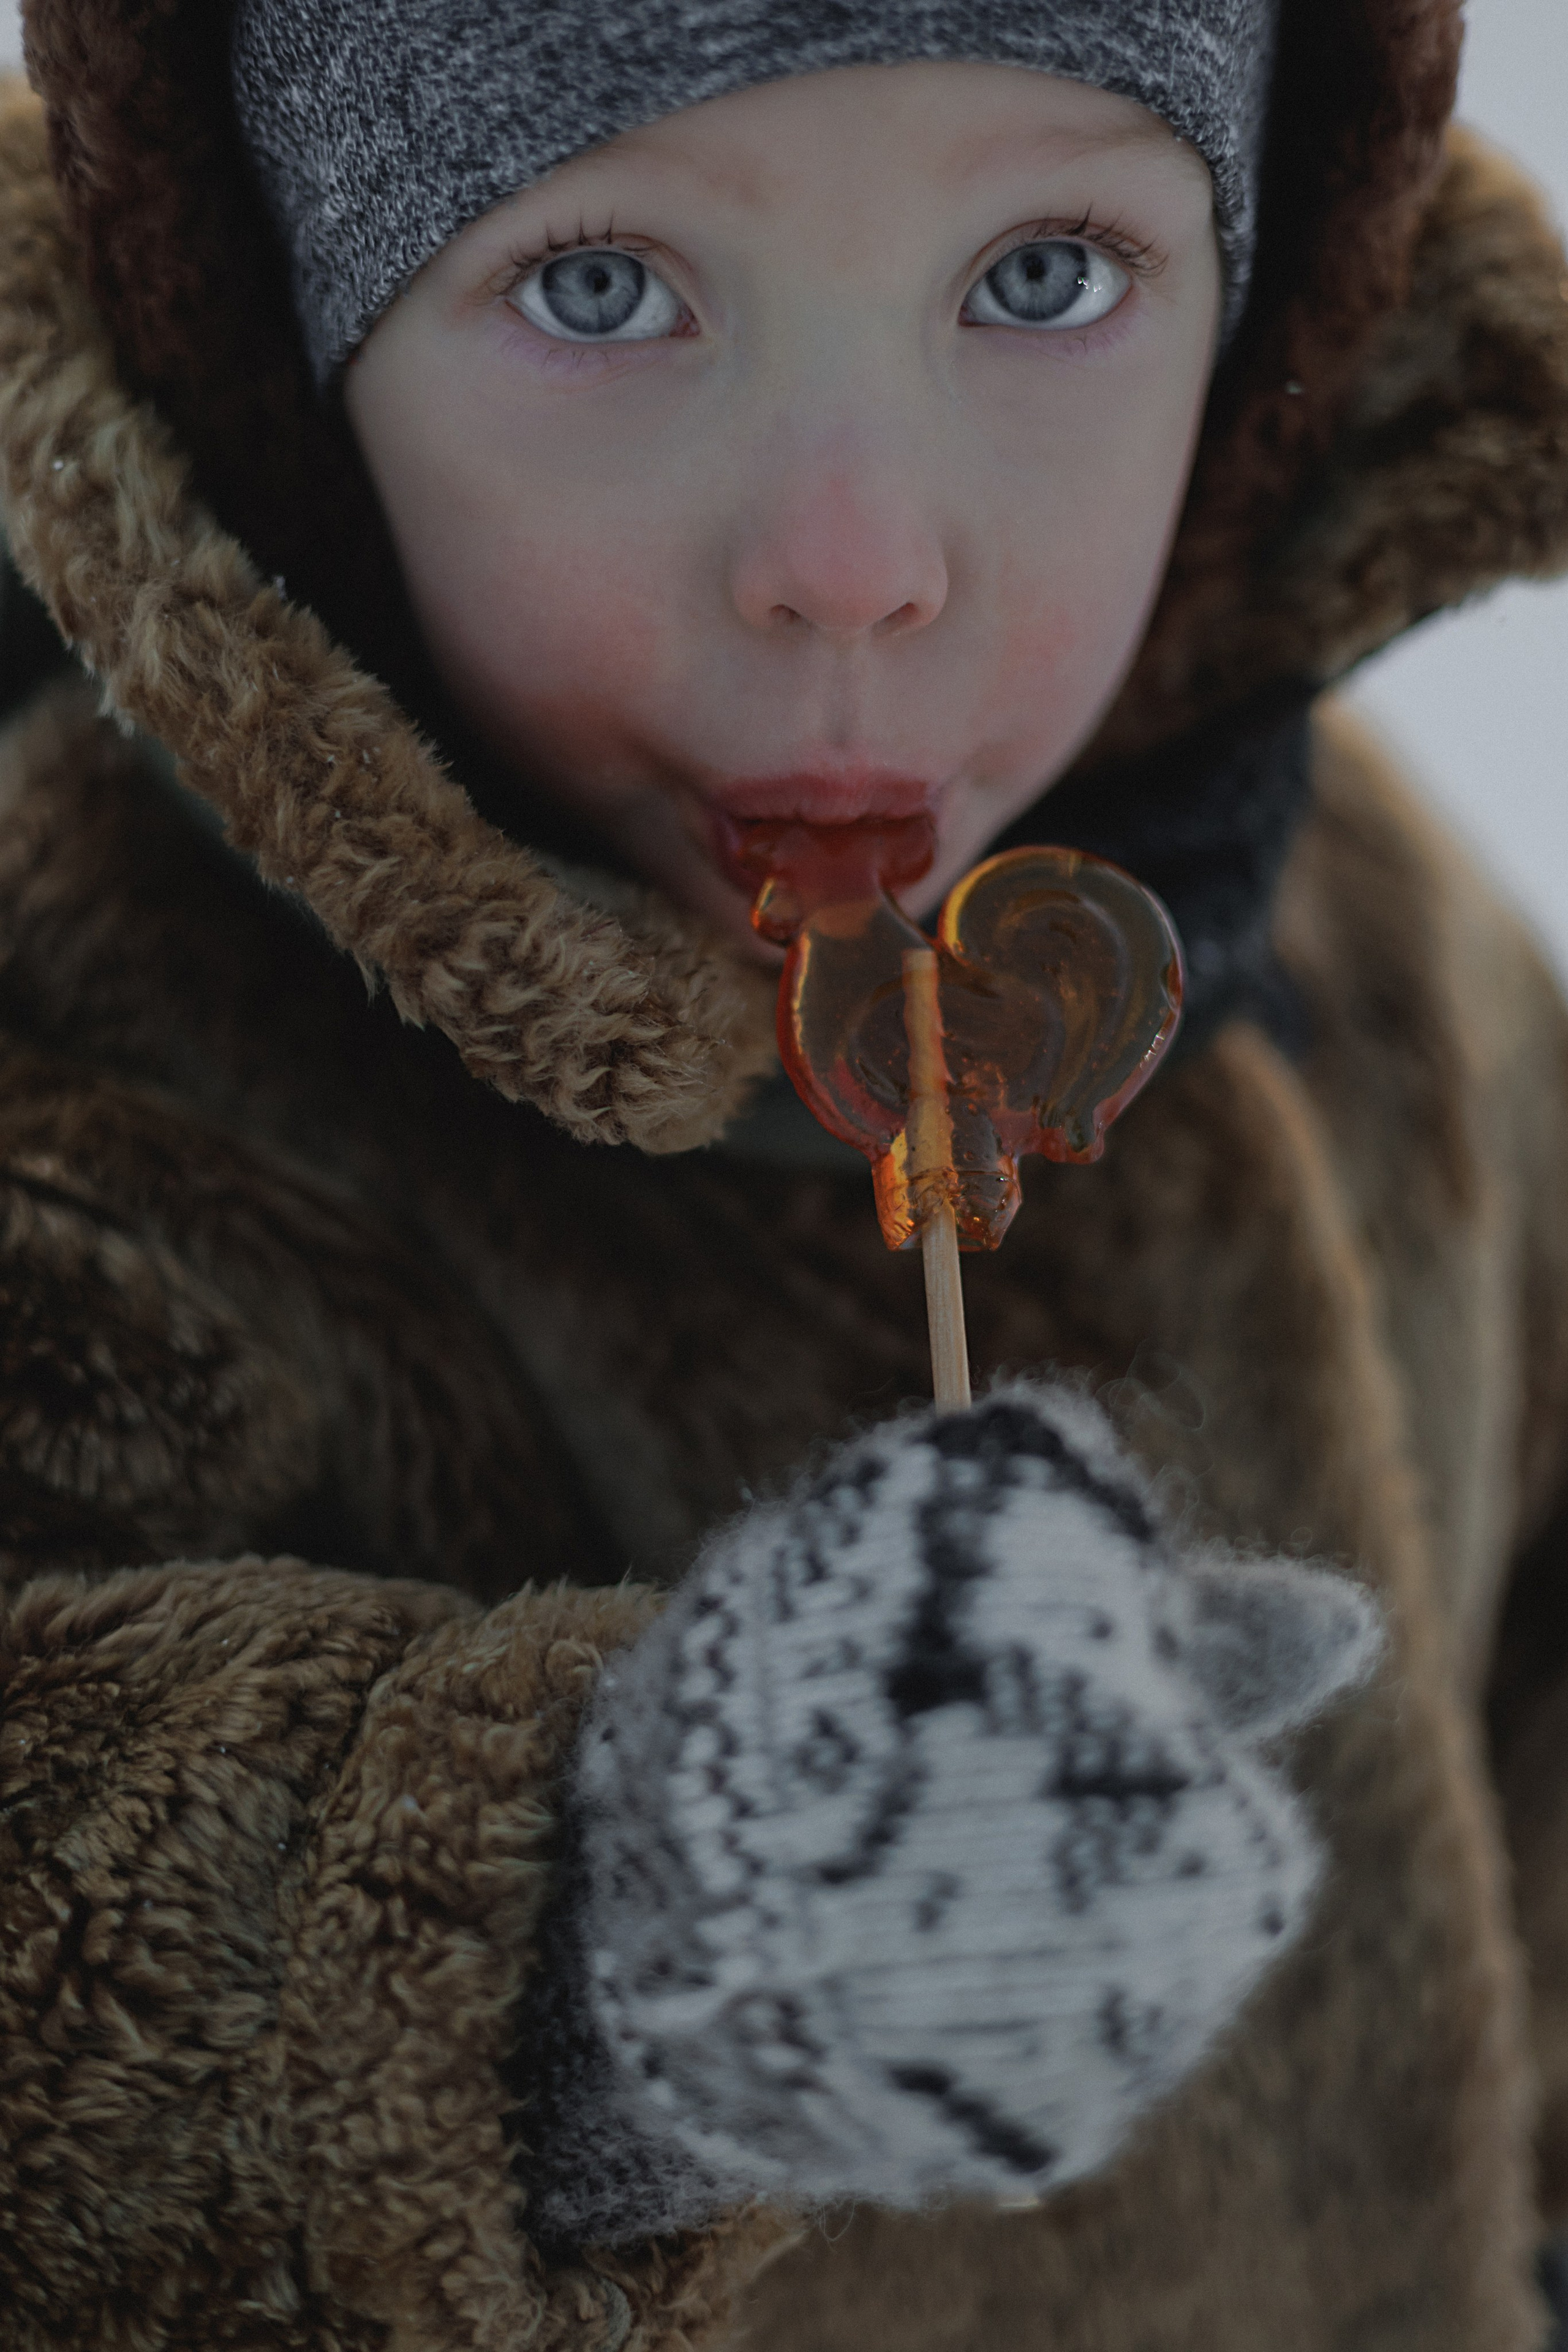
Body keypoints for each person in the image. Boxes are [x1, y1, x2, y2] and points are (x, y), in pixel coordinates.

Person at [0, 1, 1565, 2346]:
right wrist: (611, 1961)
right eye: (603, 287)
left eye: (1043, 275)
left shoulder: (1382, 944)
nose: (856, 560)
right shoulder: (101, 1066)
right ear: (295, 351)